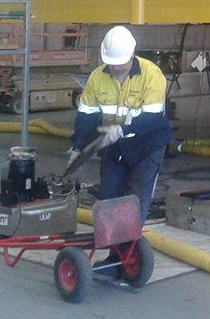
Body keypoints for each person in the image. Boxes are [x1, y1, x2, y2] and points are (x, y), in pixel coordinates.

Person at [69, 25, 170, 225]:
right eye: (111, 63)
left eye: (119, 63)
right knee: (108, 199)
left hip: (146, 147)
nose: (115, 68)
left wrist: (121, 129)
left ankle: (130, 243)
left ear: (131, 54)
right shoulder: (97, 78)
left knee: (135, 201)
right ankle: (112, 244)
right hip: (114, 147)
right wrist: (78, 147)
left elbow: (152, 119)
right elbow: (85, 116)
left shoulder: (152, 75)